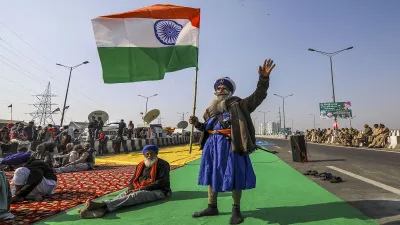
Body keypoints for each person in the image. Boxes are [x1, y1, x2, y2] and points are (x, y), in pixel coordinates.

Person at [189, 59, 275, 224]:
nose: (220, 89)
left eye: (223, 87)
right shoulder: (210, 111)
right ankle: (212, 206)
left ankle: (236, 210)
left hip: (231, 147)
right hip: (212, 148)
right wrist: (197, 123)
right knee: (212, 175)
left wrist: (263, 80)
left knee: (234, 176)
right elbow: (207, 130)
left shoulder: (240, 105)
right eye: (218, 88)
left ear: (229, 91)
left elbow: (258, 96)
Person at [78, 145, 171, 219]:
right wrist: (131, 189)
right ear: (144, 155)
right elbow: (133, 180)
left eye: (152, 153)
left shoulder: (163, 164)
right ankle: (102, 211)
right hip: (139, 188)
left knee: (135, 195)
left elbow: (162, 182)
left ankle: (102, 204)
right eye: (148, 154)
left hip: (159, 191)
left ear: (156, 154)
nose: (150, 156)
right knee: (124, 195)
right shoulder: (141, 165)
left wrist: (140, 189)